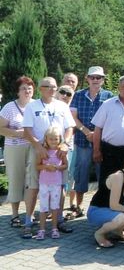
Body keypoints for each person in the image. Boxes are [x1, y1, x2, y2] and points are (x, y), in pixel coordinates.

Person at [22, 77, 75, 238]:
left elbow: (69, 127)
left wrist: (65, 144)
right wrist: (38, 146)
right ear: (40, 88)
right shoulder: (32, 106)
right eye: (48, 86)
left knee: (60, 185)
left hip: (59, 150)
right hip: (39, 149)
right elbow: (27, 129)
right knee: (33, 186)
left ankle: (58, 220)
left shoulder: (62, 106)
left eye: (54, 86)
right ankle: (28, 221)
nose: (52, 89)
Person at [70, 66, 114, 217]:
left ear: (103, 79)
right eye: (93, 77)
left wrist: (96, 134)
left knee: (103, 173)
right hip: (82, 140)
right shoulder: (78, 95)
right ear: (87, 78)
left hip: (102, 142)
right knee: (81, 173)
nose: (95, 80)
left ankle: (102, 204)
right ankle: (79, 206)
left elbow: (112, 118)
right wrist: (86, 131)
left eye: (99, 77)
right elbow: (73, 117)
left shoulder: (109, 96)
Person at [0, 76, 34, 228]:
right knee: (15, 180)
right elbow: (1, 129)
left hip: (33, 148)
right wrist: (19, 134)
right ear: (18, 91)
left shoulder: (36, 106)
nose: (27, 91)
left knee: (31, 181)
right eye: (23, 88)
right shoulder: (9, 107)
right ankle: (15, 215)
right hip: (14, 148)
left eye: (29, 88)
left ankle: (29, 215)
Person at [35, 127, 68, 240]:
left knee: (55, 207)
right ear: (46, 139)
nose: (54, 141)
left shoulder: (61, 152)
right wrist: (46, 167)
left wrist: (57, 167)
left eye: (56, 139)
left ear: (60, 139)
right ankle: (42, 229)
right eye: (51, 139)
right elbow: (37, 165)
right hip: (44, 183)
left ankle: (54, 229)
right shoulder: (42, 151)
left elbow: (65, 165)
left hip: (56, 184)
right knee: (43, 207)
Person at [55, 84, 77, 217]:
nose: (65, 95)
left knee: (65, 181)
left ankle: (59, 213)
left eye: (69, 94)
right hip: (50, 149)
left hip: (68, 149)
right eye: (62, 92)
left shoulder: (71, 111)